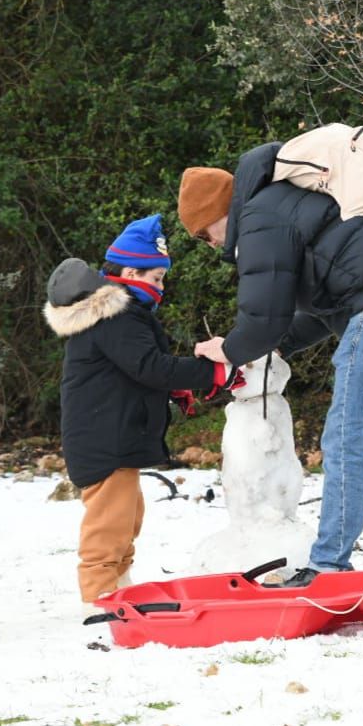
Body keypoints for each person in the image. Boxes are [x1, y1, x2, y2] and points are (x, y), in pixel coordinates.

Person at [177, 139, 363, 588]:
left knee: (347, 440)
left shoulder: (257, 217)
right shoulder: (300, 198)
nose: (211, 243)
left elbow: (263, 316)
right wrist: (278, 346)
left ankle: (328, 566)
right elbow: (323, 309)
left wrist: (230, 349)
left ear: (218, 214)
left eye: (204, 233)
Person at [43, 214, 243, 611]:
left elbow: (136, 372)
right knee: (110, 524)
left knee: (128, 516)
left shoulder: (119, 315)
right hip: (104, 440)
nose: (162, 288)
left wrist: (180, 386)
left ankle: (120, 584)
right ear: (132, 271)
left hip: (115, 436)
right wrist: (214, 372)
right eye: (157, 279)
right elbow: (150, 367)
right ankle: (98, 599)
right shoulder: (115, 315)